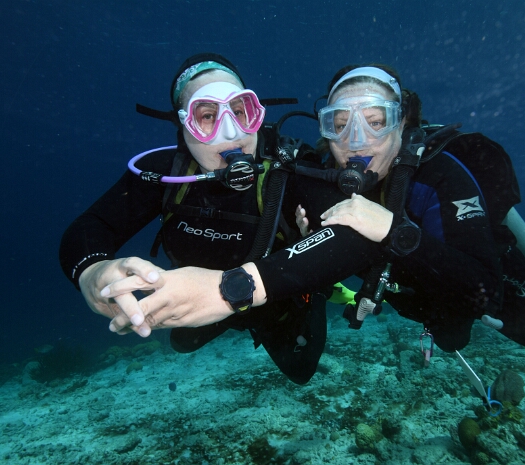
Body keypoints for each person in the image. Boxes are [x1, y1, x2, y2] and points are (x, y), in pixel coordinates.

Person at [98, 64, 525, 359]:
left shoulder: (440, 176)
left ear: (402, 123)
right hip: (410, 288)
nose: (356, 141)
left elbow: (483, 288)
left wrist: (395, 230)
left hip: (474, 262)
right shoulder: (315, 173)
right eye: (339, 124)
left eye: (376, 121)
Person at [59, 52, 330, 384]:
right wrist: (92, 270)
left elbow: (345, 239)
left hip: (274, 301)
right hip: (200, 300)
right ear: (183, 125)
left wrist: (315, 238)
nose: (231, 133)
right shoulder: (166, 173)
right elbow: (90, 226)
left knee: (301, 369)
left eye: (239, 111)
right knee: (182, 342)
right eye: (208, 116)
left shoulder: (290, 167)